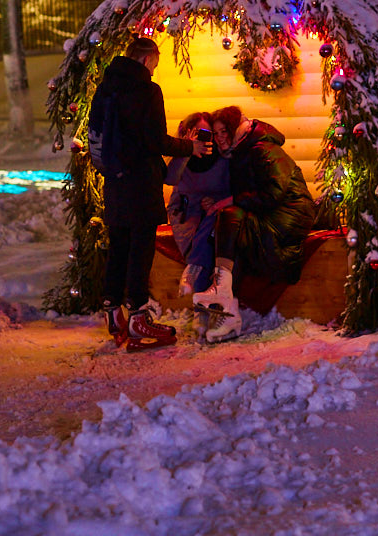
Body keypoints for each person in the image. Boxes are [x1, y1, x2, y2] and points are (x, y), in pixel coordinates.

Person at [90, 37, 211, 350]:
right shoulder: (147, 90)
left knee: (118, 245)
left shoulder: (106, 88)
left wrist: (109, 170)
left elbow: (95, 134)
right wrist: (190, 146)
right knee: (141, 249)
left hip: (115, 182)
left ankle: (113, 311)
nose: (155, 70)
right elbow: (156, 141)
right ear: (147, 60)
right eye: (155, 64)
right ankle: (138, 318)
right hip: (141, 183)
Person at [193, 105, 316, 343]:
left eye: (223, 132)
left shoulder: (262, 148)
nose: (219, 138)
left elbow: (273, 193)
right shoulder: (240, 151)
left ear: (234, 129)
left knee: (230, 216)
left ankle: (224, 301)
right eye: (215, 134)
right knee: (231, 226)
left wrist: (230, 201)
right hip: (273, 213)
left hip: (290, 215)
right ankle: (225, 307)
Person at [165, 112, 232, 299]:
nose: (204, 138)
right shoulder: (182, 160)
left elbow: (232, 190)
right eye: (199, 132)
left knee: (210, 241)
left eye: (208, 133)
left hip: (215, 215)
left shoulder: (222, 158)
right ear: (187, 132)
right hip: (190, 217)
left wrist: (215, 200)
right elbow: (171, 181)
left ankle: (195, 276)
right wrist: (187, 149)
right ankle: (200, 310)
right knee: (201, 242)